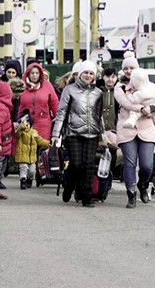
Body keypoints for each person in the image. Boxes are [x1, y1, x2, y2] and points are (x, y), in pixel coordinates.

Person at [51, 60, 103, 208]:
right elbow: (61, 113)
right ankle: (69, 185)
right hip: (73, 132)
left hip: (92, 133)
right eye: (85, 72)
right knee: (75, 164)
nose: (88, 75)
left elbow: (99, 116)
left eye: (91, 73)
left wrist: (102, 136)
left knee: (88, 165)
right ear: (79, 74)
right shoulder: (70, 90)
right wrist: (56, 133)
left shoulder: (98, 93)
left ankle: (86, 196)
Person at [114, 56, 155, 208]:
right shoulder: (119, 87)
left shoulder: (148, 85)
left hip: (147, 128)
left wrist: (152, 108)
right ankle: (131, 194)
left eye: (131, 68)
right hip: (127, 128)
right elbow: (126, 102)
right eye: (126, 68)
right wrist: (142, 109)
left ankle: (143, 184)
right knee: (130, 162)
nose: (128, 71)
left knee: (147, 165)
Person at [18, 62, 58, 140]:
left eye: (37, 73)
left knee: (42, 148)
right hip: (25, 124)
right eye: (32, 73)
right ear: (28, 74)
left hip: (43, 124)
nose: (34, 75)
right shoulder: (21, 86)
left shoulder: (47, 86)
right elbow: (17, 104)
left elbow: (54, 103)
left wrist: (57, 121)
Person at [14, 110, 51, 190]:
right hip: (22, 156)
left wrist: (49, 144)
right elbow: (17, 135)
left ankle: (30, 179)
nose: (27, 125)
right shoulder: (20, 133)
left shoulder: (34, 132)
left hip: (32, 157)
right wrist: (22, 126)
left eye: (28, 123)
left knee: (31, 171)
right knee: (23, 168)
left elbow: (40, 140)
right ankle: (23, 181)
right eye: (25, 123)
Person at [97, 67, 121, 181]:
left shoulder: (120, 91)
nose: (110, 80)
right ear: (103, 77)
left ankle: (114, 173)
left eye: (113, 77)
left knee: (116, 153)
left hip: (115, 129)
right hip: (100, 129)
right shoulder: (98, 91)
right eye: (108, 77)